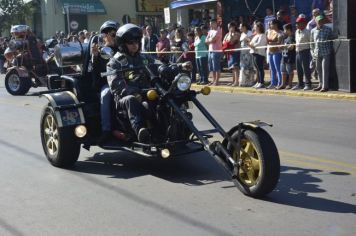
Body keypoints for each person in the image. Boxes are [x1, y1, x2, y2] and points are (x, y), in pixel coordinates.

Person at [106, 23, 153, 143]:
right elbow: (116, 85)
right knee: (131, 99)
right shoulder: (115, 62)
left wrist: (175, 67)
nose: (135, 45)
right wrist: (135, 91)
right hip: (124, 98)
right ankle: (140, 131)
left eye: (137, 42)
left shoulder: (143, 58)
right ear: (123, 44)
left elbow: (157, 66)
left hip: (146, 92)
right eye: (131, 43)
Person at [90, 20, 120, 143]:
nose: (113, 37)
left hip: (127, 80)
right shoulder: (103, 51)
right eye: (112, 35)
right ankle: (106, 130)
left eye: (115, 35)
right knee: (106, 95)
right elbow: (97, 71)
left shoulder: (123, 48)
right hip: (107, 82)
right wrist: (95, 56)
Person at [311, 15, 333, 92]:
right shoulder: (313, 30)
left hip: (326, 52)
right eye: (319, 21)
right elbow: (312, 43)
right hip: (317, 53)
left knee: (325, 69)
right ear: (316, 22)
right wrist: (312, 52)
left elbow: (331, 40)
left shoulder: (328, 29)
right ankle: (320, 85)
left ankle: (325, 86)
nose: (320, 22)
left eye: (321, 21)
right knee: (318, 70)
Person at [293, 15, 312, 90]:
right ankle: (300, 83)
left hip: (305, 51)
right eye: (296, 23)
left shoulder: (308, 32)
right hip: (297, 52)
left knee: (305, 69)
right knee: (299, 69)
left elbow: (311, 42)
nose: (296, 24)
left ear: (303, 23)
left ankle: (308, 84)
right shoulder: (296, 32)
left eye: (298, 23)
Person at [249, 22, 267, 89]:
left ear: (259, 28)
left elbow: (259, 44)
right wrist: (250, 44)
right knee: (257, 68)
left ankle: (261, 82)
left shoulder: (262, 35)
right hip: (254, 53)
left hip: (259, 53)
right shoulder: (256, 35)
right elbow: (251, 43)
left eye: (255, 27)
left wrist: (251, 45)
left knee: (260, 68)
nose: (254, 28)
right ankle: (258, 81)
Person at [266, 19, 283, 89]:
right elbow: (267, 41)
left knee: (278, 68)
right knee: (272, 68)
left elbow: (279, 42)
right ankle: (273, 83)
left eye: (271, 24)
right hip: (270, 52)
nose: (270, 25)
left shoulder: (280, 33)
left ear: (276, 25)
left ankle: (280, 83)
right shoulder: (270, 32)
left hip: (277, 52)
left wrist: (271, 43)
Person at [222, 21, 240, 86]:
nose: (229, 28)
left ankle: (236, 81)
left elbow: (232, 42)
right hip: (229, 52)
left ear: (234, 27)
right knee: (232, 67)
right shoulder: (227, 34)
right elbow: (224, 42)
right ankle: (233, 81)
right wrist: (229, 35)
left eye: (230, 27)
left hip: (235, 51)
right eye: (228, 27)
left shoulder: (237, 34)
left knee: (235, 67)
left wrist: (231, 34)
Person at [205, 19, 222, 86]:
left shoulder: (219, 30)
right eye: (210, 24)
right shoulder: (210, 31)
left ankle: (217, 81)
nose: (210, 25)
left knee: (216, 66)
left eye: (211, 23)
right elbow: (206, 41)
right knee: (211, 67)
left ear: (215, 23)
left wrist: (210, 40)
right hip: (210, 50)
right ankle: (214, 80)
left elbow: (213, 40)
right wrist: (210, 40)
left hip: (217, 50)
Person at [280, 23, 296, 89]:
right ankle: (283, 84)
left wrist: (285, 47)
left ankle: (290, 84)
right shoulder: (285, 38)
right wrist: (281, 47)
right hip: (284, 57)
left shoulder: (292, 38)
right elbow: (282, 47)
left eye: (285, 30)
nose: (284, 31)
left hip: (290, 58)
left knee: (290, 72)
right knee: (283, 71)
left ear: (289, 30)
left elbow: (292, 47)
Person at [239, 22, 254, 87]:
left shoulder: (250, 33)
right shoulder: (242, 34)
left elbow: (251, 41)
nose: (239, 28)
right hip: (242, 52)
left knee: (249, 67)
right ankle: (243, 82)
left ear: (244, 27)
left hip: (248, 52)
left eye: (241, 26)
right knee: (243, 67)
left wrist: (247, 39)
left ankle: (250, 82)